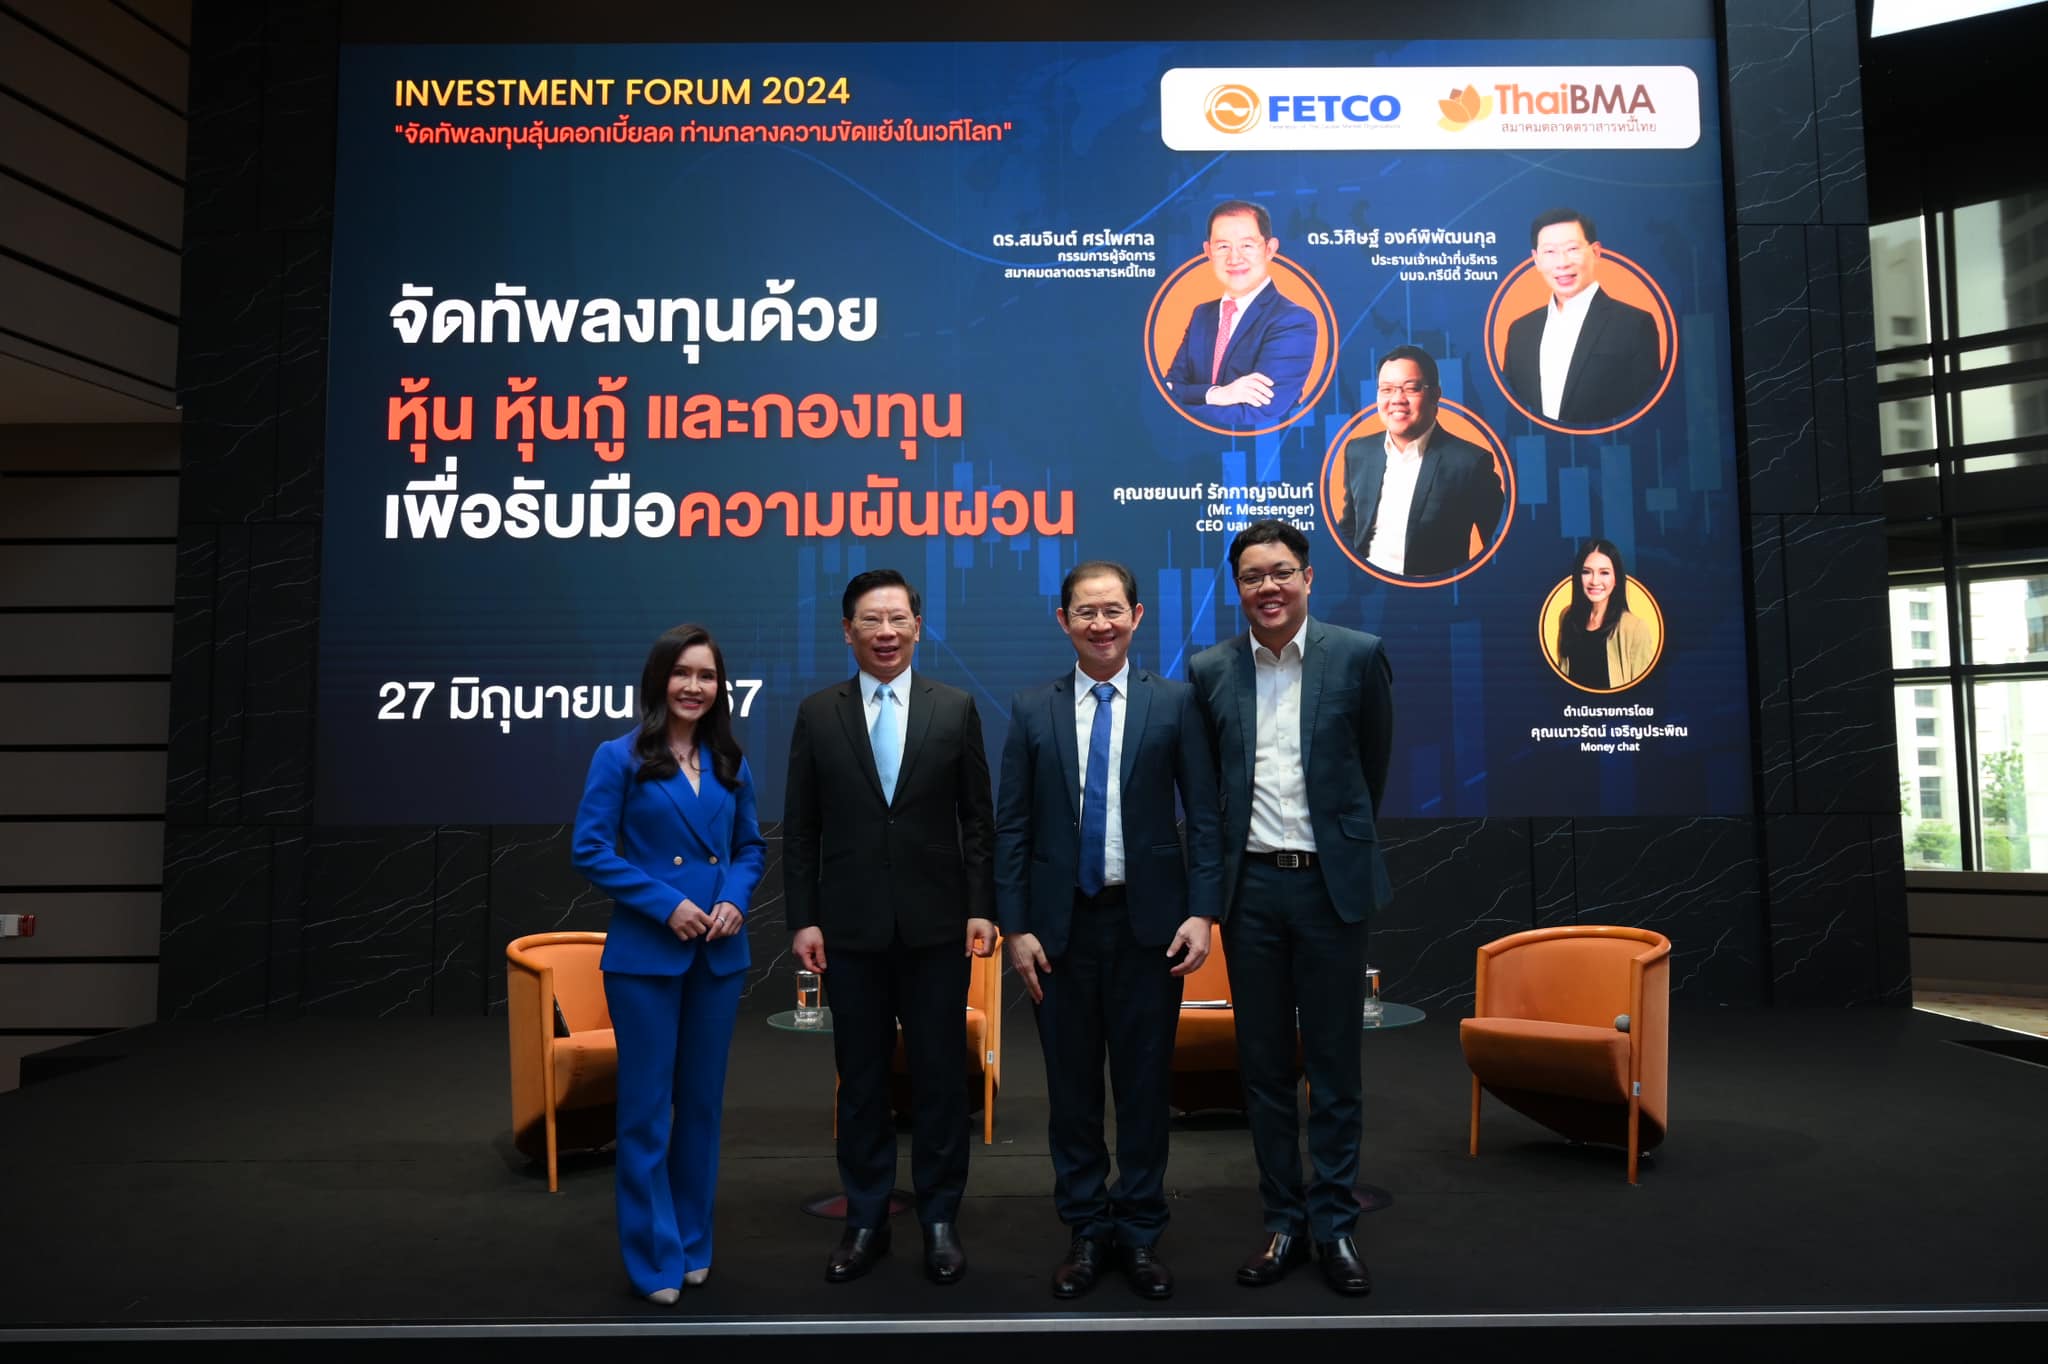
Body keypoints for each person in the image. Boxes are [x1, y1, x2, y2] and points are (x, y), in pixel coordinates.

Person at [994, 561, 1223, 1302]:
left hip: (1149, 929)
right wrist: (1016, 927)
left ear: (1137, 616)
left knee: (1145, 1088)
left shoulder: (1176, 703)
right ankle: (1087, 1229)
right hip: (1058, 933)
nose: (1101, 624)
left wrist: (1202, 911)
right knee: (1072, 1094)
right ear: (1063, 620)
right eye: (1086, 612)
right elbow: (1012, 827)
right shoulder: (1033, 709)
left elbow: (1206, 816)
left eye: (1113, 611)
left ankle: (1142, 1230)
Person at [1188, 519, 1394, 1299]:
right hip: (1251, 894)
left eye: (1280, 572)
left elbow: (1371, 769)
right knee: (1265, 1068)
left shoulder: (1358, 655)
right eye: (1252, 576)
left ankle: (1334, 1223)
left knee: (1335, 1068)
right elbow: (1208, 794)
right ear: (1237, 588)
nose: (1267, 587)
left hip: (1329, 889)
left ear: (1308, 578)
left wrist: (1336, 847)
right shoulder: (1211, 670)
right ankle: (1283, 1220)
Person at [785, 568, 998, 1287]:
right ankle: (866, 1218)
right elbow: (802, 829)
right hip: (850, 930)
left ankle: (939, 1219)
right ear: (847, 631)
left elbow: (977, 820)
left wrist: (981, 904)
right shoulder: (818, 713)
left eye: (898, 619)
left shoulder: (955, 707)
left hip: (938, 929)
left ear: (918, 627)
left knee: (940, 1081)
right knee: (863, 1083)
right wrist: (803, 918)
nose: (885, 633)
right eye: (871, 622)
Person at [571, 624, 766, 1306]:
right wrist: (667, 904)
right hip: (648, 957)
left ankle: (692, 1242)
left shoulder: (730, 761)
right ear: (659, 679)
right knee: (646, 1111)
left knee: (702, 1109)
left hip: (718, 954)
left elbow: (750, 848)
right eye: (683, 673)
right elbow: (590, 849)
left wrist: (735, 899)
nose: (694, 686)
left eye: (707, 676)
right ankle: (653, 1255)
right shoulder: (618, 756)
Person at [1337, 346, 1505, 578]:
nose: (1397, 400)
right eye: (1386, 390)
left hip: (1431, 594)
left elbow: (1499, 549)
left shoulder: (1470, 462)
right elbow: (1350, 527)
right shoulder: (1358, 451)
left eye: (1411, 388)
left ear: (1435, 395)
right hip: (1368, 591)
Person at [1161, 200, 1318, 428]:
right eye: (1223, 247)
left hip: (1257, 447)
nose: (1234, 258)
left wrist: (1182, 404)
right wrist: (1218, 394)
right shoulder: (1202, 315)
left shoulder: (1293, 321)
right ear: (1208, 252)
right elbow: (1168, 389)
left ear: (1270, 249)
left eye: (1247, 245)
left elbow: (1259, 413)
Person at [1502, 208, 1662, 427]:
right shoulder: (1521, 330)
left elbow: (1647, 414)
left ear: (1595, 252)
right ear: (1536, 260)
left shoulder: (1634, 324)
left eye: (1572, 249)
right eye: (1550, 252)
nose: (1562, 263)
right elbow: (1512, 413)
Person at [1555, 538, 1657, 688]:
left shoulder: (1635, 628)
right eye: (1586, 572)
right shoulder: (1567, 617)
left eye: (1604, 573)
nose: (1594, 581)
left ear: (1616, 579)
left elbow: (1644, 691)